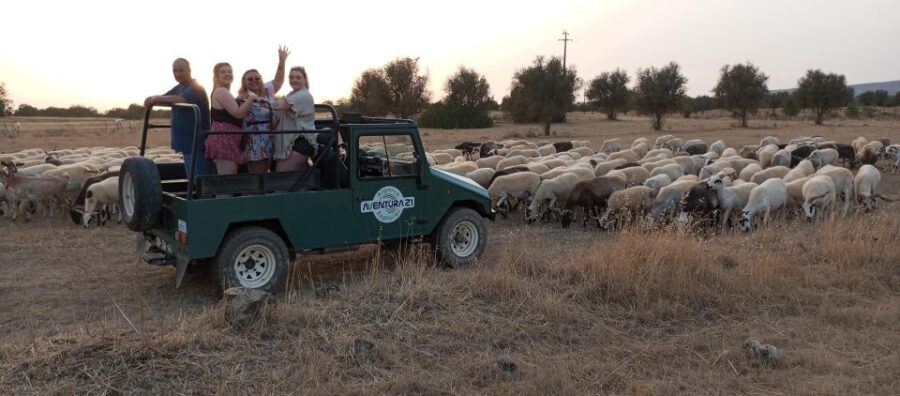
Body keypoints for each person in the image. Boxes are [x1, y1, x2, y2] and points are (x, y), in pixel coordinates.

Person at [144, 58, 212, 177]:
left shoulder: (196, 87)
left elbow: (181, 99)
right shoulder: (179, 87)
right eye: (175, 71)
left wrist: (156, 98)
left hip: (196, 143)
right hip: (186, 144)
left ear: (189, 70)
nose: (178, 74)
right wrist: (151, 100)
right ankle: (196, 194)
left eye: (181, 70)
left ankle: (203, 195)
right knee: (192, 180)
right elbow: (165, 98)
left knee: (200, 179)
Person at [236, 46, 290, 174]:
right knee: (257, 176)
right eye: (250, 79)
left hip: (270, 138)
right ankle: (251, 194)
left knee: (264, 174)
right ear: (244, 82)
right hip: (255, 141)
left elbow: (278, 80)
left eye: (257, 78)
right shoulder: (243, 97)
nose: (254, 81)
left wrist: (282, 61)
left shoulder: (266, 90)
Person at [205, 62, 257, 175]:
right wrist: (252, 98)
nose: (227, 74)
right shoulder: (221, 91)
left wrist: (240, 98)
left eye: (229, 71)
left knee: (229, 179)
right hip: (224, 140)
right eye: (223, 72)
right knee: (227, 181)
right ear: (216, 76)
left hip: (228, 139)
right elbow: (238, 113)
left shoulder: (225, 92)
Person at [273, 66, 316, 172]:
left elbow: (282, 106)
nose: (294, 80)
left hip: (299, 142)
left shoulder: (304, 95)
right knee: (295, 180)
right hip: (293, 142)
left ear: (305, 79)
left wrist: (258, 100)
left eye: (298, 77)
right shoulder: (291, 94)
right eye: (291, 77)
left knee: (282, 177)